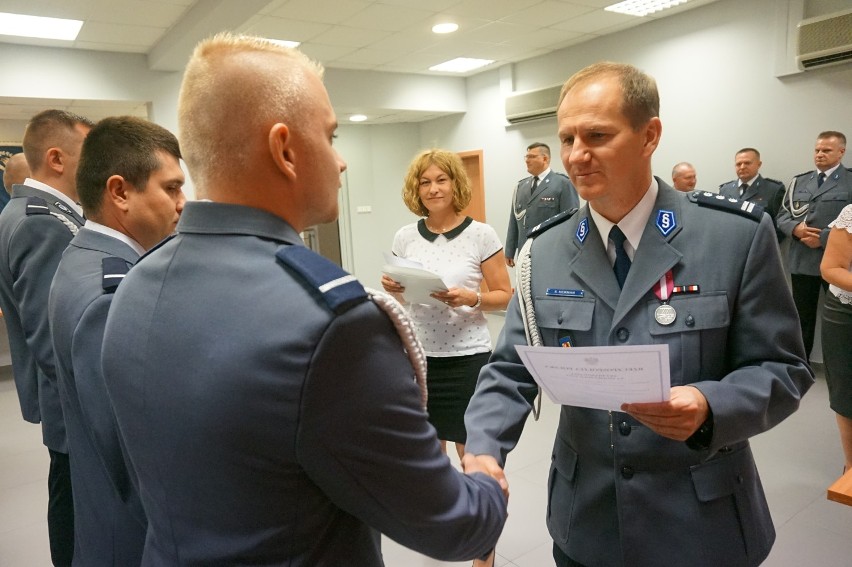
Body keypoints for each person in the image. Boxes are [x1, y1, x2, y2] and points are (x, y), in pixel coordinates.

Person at [99, 33, 507, 566]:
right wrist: (483, 479)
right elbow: (454, 527)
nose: (340, 162)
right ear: (285, 150)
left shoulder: (133, 284)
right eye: (331, 136)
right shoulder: (331, 323)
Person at [463, 62, 814, 567]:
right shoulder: (545, 250)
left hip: (701, 520)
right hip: (587, 517)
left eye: (597, 135)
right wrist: (483, 450)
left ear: (650, 135)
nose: (576, 156)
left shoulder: (734, 237)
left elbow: (785, 369)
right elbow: (510, 370)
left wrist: (708, 404)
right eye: (567, 139)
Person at [47, 116, 186, 565]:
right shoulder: (112, 295)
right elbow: (137, 457)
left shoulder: (86, 257)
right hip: (133, 542)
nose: (184, 203)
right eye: (171, 188)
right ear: (120, 192)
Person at [0, 109, 92, 566]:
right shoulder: (44, 222)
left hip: (60, 397)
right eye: (88, 155)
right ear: (56, 158)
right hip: (70, 401)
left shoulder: (28, 211)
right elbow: (53, 330)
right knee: (74, 502)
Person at [381, 148, 512, 460]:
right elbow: (403, 297)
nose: (433, 189)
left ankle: (477, 507)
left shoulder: (481, 234)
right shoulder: (405, 237)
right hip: (419, 357)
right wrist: (394, 288)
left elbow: (505, 295)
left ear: (455, 184)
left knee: (473, 452)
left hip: (467, 359)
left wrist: (473, 298)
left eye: (441, 180)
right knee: (428, 453)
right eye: (425, 182)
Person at [777, 131, 851, 359]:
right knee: (802, 317)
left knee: (841, 318)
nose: (820, 154)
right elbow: (781, 216)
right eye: (817, 150)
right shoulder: (799, 181)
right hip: (804, 261)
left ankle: (842, 365)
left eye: (826, 150)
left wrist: (824, 237)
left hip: (839, 264)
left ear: (841, 152)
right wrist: (796, 229)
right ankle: (801, 364)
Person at [505, 142, 578, 266]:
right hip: (525, 255)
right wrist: (509, 251)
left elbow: (572, 223)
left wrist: (569, 253)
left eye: (532, 157)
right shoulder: (521, 187)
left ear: (545, 159)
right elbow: (514, 220)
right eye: (526, 157)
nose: (527, 161)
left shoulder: (562, 184)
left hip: (551, 252)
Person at [819, 204, 852, 473]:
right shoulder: (851, 214)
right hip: (846, 312)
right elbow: (831, 268)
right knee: (846, 391)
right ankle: (851, 467)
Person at [718, 148, 785, 240]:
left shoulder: (773, 189)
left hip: (760, 247)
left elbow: (781, 224)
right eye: (738, 164)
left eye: (747, 163)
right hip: (730, 244)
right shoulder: (725, 190)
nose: (742, 167)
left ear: (759, 164)